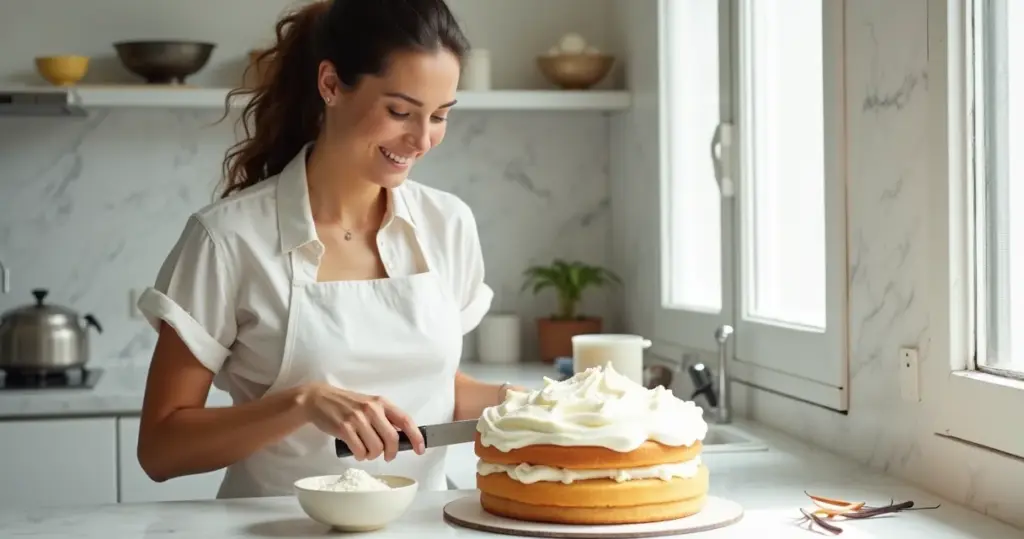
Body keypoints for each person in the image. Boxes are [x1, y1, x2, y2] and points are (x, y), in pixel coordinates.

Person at [134, 0, 523, 499]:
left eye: (441, 115)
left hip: (423, 526)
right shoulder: (228, 240)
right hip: (273, 530)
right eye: (400, 111)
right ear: (331, 85)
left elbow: (433, 385)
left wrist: (520, 402)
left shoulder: (447, 224)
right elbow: (161, 449)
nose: (421, 139)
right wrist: (300, 404)